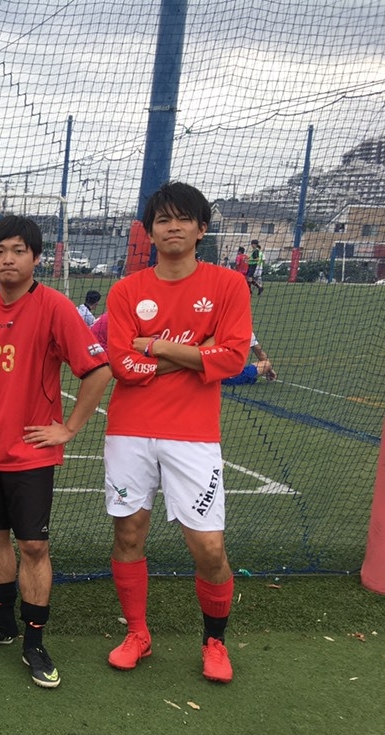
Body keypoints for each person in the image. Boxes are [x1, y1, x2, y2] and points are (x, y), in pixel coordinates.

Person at [0, 215, 111, 688]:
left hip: (31, 453)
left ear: (36, 257)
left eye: (18, 251)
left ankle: (34, 641)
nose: (8, 259)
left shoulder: (55, 307)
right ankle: (2, 624)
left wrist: (68, 428)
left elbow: (98, 370)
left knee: (33, 545)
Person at [103, 181, 251, 684]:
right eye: (162, 220)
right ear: (149, 232)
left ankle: (214, 642)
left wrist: (155, 346)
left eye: (183, 219)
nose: (172, 228)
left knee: (208, 547)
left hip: (193, 435)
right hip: (130, 430)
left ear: (201, 229)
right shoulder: (127, 291)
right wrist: (197, 353)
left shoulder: (228, 286)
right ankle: (137, 634)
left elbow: (233, 358)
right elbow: (122, 366)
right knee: (129, 533)